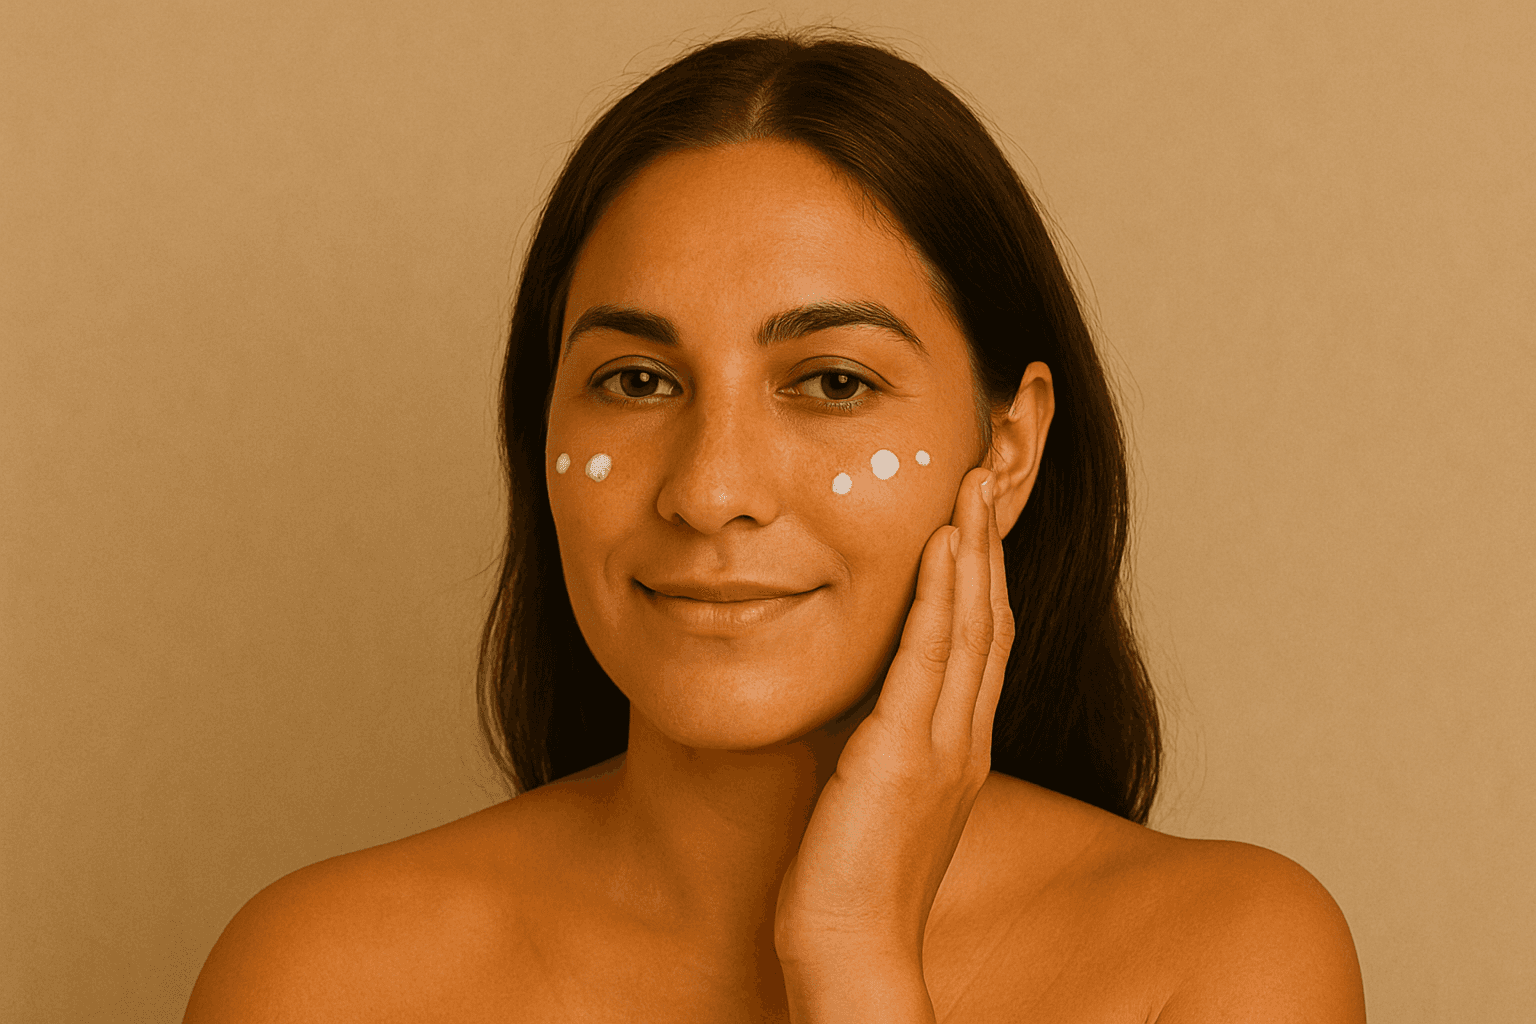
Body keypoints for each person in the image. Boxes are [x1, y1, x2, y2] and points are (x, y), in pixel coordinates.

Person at [184, 30, 1366, 1023]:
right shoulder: (321, 977)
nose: (710, 491)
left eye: (833, 383)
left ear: (1008, 447)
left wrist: (855, 958)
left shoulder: (1224, 959)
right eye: (637, 381)